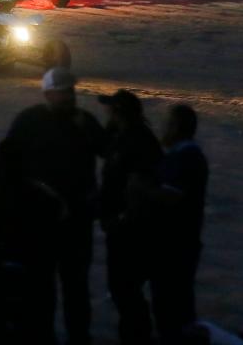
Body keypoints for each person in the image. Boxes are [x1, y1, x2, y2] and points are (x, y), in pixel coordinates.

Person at [0, 67, 109, 345]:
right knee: (40, 286)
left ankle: (78, 336)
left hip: (77, 220)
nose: (69, 97)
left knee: (75, 287)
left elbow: (110, 154)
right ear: (48, 94)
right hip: (39, 222)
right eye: (63, 92)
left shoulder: (85, 122)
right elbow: (7, 161)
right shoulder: (29, 121)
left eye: (71, 91)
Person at [97, 90, 165, 345]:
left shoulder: (136, 141)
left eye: (110, 109)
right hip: (125, 225)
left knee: (124, 288)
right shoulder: (127, 136)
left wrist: (121, 220)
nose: (107, 113)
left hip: (130, 230)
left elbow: (141, 188)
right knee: (125, 289)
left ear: (119, 113)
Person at [147, 104, 210, 345]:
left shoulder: (186, 158)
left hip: (176, 243)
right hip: (178, 242)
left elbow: (171, 196)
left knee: (172, 307)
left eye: (167, 123)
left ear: (176, 127)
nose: (163, 128)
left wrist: (143, 190)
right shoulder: (185, 156)